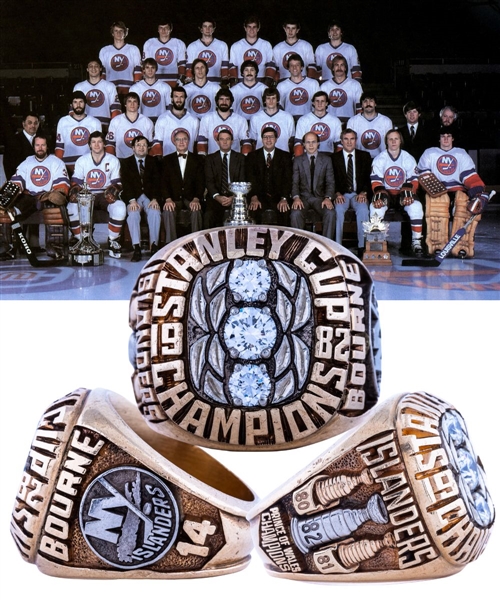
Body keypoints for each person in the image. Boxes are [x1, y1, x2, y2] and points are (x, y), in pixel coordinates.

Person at [417, 127, 486, 257]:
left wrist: (477, 192)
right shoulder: (430, 153)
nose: (446, 139)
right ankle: (437, 245)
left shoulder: (461, 154)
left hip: (458, 188)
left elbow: (469, 175)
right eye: (443, 136)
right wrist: (437, 189)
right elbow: (423, 174)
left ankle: (462, 246)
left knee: (464, 204)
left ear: (453, 138)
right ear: (439, 138)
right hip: (436, 190)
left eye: (449, 136)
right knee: (437, 203)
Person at [6, 134, 69, 259]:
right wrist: (11, 192)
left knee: (54, 208)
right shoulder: (27, 162)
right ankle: (6, 247)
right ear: (33, 146)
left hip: (47, 197)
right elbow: (17, 180)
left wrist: (56, 193)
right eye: (37, 145)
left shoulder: (56, 162)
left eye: (43, 145)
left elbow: (61, 185)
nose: (40, 148)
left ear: (47, 146)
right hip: (28, 198)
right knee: (5, 206)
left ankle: (54, 246)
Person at [69, 131, 124, 258]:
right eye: (93, 142)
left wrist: (112, 191)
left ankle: (113, 241)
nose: (97, 145)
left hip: (104, 195)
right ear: (89, 145)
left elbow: (117, 183)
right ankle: (81, 240)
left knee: (120, 207)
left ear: (104, 143)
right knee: (71, 207)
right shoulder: (82, 160)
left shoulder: (113, 160)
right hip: (86, 195)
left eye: (99, 141)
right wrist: (76, 191)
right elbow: (75, 182)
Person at [370, 129, 424, 255]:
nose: (393, 142)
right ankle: (378, 242)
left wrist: (409, 192)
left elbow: (414, 179)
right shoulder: (380, 158)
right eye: (390, 139)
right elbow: (376, 181)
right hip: (386, 193)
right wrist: (379, 195)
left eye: (396, 139)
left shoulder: (408, 157)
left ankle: (416, 242)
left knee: (416, 207)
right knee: (375, 208)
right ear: (386, 142)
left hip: (402, 193)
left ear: (400, 141)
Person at [121, 136, 161, 262]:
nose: (141, 147)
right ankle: (136, 247)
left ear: (148, 148)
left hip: (150, 197)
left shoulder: (155, 161)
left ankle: (154, 246)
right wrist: (131, 200)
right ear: (133, 148)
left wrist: (155, 199)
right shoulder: (126, 163)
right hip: (134, 197)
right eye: (138, 145)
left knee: (155, 212)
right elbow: (125, 184)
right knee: (132, 214)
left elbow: (158, 182)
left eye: (144, 145)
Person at [332, 128, 371, 255]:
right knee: (337, 210)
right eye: (346, 139)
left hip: (358, 194)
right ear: (341, 141)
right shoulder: (334, 158)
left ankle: (361, 246)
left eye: (352, 139)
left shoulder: (364, 156)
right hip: (341, 195)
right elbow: (330, 180)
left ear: (356, 141)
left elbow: (368, 178)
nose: (349, 142)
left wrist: (364, 192)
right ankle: (338, 245)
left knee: (363, 209)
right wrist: (336, 193)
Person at [290, 132, 335, 239]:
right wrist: (296, 197)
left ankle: (326, 245)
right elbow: (294, 182)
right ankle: (298, 245)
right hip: (303, 198)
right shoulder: (297, 160)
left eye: (313, 142)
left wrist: (328, 198)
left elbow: (330, 182)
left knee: (330, 213)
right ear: (303, 145)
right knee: (295, 214)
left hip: (320, 199)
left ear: (318, 143)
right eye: (308, 142)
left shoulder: (326, 160)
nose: (311, 145)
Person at [161, 131, 204, 243]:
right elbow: (163, 183)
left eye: (184, 139)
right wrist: (168, 199)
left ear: (188, 141)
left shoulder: (198, 159)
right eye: (178, 139)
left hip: (191, 198)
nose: (181, 142)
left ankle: (196, 244)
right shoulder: (166, 160)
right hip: (174, 198)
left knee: (196, 210)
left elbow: (201, 182)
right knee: (168, 210)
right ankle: (171, 245)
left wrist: (196, 199)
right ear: (174, 142)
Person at [246, 127, 293, 225]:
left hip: (279, 198)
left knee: (285, 212)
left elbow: (288, 180)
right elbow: (250, 178)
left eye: (271, 137)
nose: (268, 140)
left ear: (276, 139)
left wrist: (284, 198)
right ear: (261, 139)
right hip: (258, 198)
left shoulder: (285, 156)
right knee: (253, 212)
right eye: (265, 137)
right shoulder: (252, 156)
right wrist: (253, 197)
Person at [204, 129, 246, 228]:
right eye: (222, 139)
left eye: (228, 139)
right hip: (215, 198)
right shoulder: (209, 159)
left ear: (232, 141)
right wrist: (218, 197)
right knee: (208, 216)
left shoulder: (240, 158)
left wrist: (233, 197)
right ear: (217, 142)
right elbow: (209, 182)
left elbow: (242, 179)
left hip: (236, 198)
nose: (225, 141)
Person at [55, 91, 101, 174]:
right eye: (75, 102)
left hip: (88, 165)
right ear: (71, 104)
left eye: (81, 102)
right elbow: (59, 147)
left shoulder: (95, 122)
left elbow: (99, 148)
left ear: (85, 103)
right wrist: (58, 166)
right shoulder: (63, 121)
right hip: (68, 165)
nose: (78, 105)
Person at [196, 88, 251, 155]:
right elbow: (202, 143)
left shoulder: (241, 120)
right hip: (212, 161)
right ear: (217, 101)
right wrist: (203, 160)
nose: (224, 102)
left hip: (234, 162)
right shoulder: (206, 119)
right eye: (221, 99)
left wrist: (243, 162)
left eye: (227, 99)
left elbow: (246, 144)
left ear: (231, 102)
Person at [73, 59, 121, 131]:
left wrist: (114, 127)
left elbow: (115, 109)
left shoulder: (110, 86)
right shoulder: (79, 87)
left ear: (100, 68)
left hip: (105, 126)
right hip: (85, 125)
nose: (93, 69)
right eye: (91, 66)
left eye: (96, 66)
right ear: (87, 69)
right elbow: (73, 109)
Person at [152, 86, 199, 156]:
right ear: (171, 99)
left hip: (188, 161)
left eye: (181, 97)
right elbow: (157, 142)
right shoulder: (163, 119)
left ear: (185, 99)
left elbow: (195, 143)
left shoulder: (194, 120)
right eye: (176, 96)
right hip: (168, 162)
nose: (179, 99)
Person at [105, 92, 154, 159]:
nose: (132, 104)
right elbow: (110, 144)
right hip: (122, 160)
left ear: (138, 104)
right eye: (129, 101)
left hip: (141, 160)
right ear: (125, 104)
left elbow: (151, 146)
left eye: (135, 101)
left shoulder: (147, 122)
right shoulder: (116, 121)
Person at [99, 21, 142, 96]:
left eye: (121, 31)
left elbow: (137, 70)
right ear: (112, 33)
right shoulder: (104, 50)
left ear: (125, 33)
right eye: (116, 31)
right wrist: (103, 88)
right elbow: (102, 72)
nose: (118, 33)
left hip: (129, 90)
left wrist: (136, 89)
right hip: (110, 90)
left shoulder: (133, 49)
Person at [229, 16, 275, 85]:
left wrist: (266, 84)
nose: (251, 29)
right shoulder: (236, 46)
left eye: (254, 27)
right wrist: (235, 84)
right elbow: (232, 66)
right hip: (241, 83)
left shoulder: (266, 45)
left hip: (261, 83)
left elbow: (270, 65)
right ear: (245, 28)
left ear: (258, 28)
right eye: (249, 27)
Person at [294, 90, 342, 156]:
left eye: (322, 101)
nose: (320, 104)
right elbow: (298, 143)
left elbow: (339, 145)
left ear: (326, 103)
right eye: (317, 101)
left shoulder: (335, 121)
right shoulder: (303, 120)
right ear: (313, 103)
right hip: (308, 156)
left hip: (328, 156)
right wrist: (299, 162)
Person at [347, 93, 393, 158]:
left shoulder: (386, 121)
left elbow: (390, 143)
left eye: (371, 101)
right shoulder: (352, 121)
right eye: (365, 101)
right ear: (362, 105)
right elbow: (349, 144)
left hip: (381, 159)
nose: (368, 104)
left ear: (375, 104)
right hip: (360, 159)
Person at [249, 88, 295, 153]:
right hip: (262, 156)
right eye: (268, 98)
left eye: (273, 98)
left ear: (277, 100)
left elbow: (291, 140)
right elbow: (253, 140)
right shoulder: (255, 118)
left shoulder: (287, 117)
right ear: (264, 100)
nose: (271, 101)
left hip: (283, 156)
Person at [142, 21, 187, 87]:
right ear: (158, 29)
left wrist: (181, 79)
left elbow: (182, 64)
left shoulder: (178, 43)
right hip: (155, 81)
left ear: (170, 29)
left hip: (173, 81)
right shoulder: (150, 43)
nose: (163, 30)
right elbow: (145, 65)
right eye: (161, 28)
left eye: (166, 28)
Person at [320, 55, 363, 124]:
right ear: (333, 68)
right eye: (336, 65)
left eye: (342, 65)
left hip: (349, 123)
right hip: (330, 123)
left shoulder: (355, 85)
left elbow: (360, 108)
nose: (339, 68)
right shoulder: (324, 86)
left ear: (345, 68)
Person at [276, 54, 319, 121]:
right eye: (292, 65)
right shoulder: (281, 85)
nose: (294, 68)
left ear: (302, 67)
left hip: (309, 120)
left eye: (297, 65)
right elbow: (279, 107)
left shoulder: (313, 84)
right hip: (289, 120)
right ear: (288, 68)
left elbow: (317, 104)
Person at [185, 18, 229, 84]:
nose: (207, 29)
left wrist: (224, 83)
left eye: (210, 26)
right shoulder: (192, 46)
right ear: (201, 29)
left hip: (216, 84)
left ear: (214, 29)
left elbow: (224, 67)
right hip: (198, 84)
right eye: (205, 26)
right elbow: (189, 69)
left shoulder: (222, 45)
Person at [129, 58, 170, 123]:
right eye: (147, 67)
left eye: (152, 68)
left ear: (156, 69)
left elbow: (169, 108)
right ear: (144, 70)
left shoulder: (165, 87)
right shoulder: (135, 88)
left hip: (161, 122)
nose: (150, 70)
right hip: (142, 122)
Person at [3, 112, 40, 180]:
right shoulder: (13, 141)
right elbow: (8, 166)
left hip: (40, 181)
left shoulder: (44, 140)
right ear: (23, 124)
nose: (33, 126)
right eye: (30, 123)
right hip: (21, 182)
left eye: (35, 123)